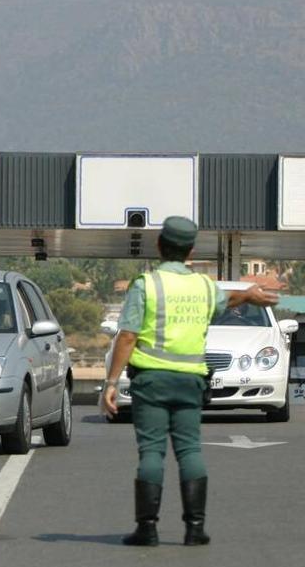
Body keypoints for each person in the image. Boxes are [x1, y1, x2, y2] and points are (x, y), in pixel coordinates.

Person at [102, 216, 279, 546]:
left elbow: (127, 335)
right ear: (191, 250)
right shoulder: (202, 286)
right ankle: (195, 528)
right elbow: (226, 300)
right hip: (190, 382)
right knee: (190, 450)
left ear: (159, 246)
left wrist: (111, 383)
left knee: (152, 453)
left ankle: (148, 528)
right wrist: (249, 295)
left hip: (152, 382)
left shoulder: (147, 285)